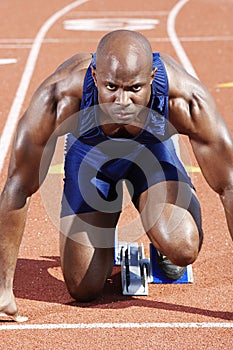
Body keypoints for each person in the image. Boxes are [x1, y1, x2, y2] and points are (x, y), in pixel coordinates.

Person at [0, 30, 233, 322]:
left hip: (151, 152)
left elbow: (229, 184)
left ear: (152, 78)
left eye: (134, 88)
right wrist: (3, 292)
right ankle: (103, 235)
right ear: (95, 76)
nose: (121, 101)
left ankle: (159, 237)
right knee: (83, 288)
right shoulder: (59, 97)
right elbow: (18, 186)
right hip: (90, 158)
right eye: (111, 87)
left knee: (182, 249)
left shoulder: (185, 100)